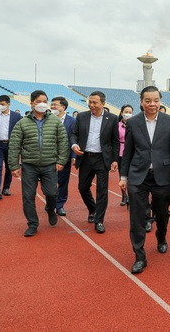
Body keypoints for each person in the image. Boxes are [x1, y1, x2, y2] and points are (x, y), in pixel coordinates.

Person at [119, 86, 170, 274]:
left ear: (160, 101)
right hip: (138, 175)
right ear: (141, 102)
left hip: (162, 175)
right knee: (136, 217)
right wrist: (124, 177)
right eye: (148, 100)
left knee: (162, 213)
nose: (152, 104)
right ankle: (139, 256)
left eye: (155, 100)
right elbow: (128, 151)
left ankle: (161, 236)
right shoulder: (133, 123)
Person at [8, 90, 69, 236]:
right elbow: (14, 145)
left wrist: (61, 160)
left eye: (44, 101)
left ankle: (50, 209)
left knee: (52, 193)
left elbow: (63, 141)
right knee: (28, 196)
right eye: (39, 101)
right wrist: (14, 165)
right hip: (29, 165)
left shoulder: (55, 121)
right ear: (31, 103)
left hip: (49, 164)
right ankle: (33, 224)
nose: (42, 104)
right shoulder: (22, 123)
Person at [71, 91, 120, 234]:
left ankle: (99, 220)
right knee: (82, 187)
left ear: (103, 104)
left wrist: (115, 159)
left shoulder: (112, 118)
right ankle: (92, 208)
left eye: (95, 102)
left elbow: (115, 141)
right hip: (85, 157)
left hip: (102, 159)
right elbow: (74, 134)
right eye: (90, 102)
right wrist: (74, 145)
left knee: (102, 191)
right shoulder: (82, 116)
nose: (91, 105)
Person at [50, 97, 76, 216]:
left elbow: (74, 139)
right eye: (52, 105)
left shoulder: (72, 121)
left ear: (63, 107)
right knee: (49, 181)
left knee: (63, 182)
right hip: (48, 156)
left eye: (55, 105)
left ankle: (60, 205)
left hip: (64, 156)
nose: (52, 107)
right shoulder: (46, 119)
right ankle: (50, 202)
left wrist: (73, 155)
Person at [117, 104, 134, 206]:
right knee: (122, 175)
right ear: (122, 113)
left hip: (132, 152)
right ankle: (124, 195)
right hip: (120, 152)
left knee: (132, 175)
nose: (128, 114)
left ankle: (132, 196)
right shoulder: (117, 125)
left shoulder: (135, 124)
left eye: (130, 112)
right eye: (126, 112)